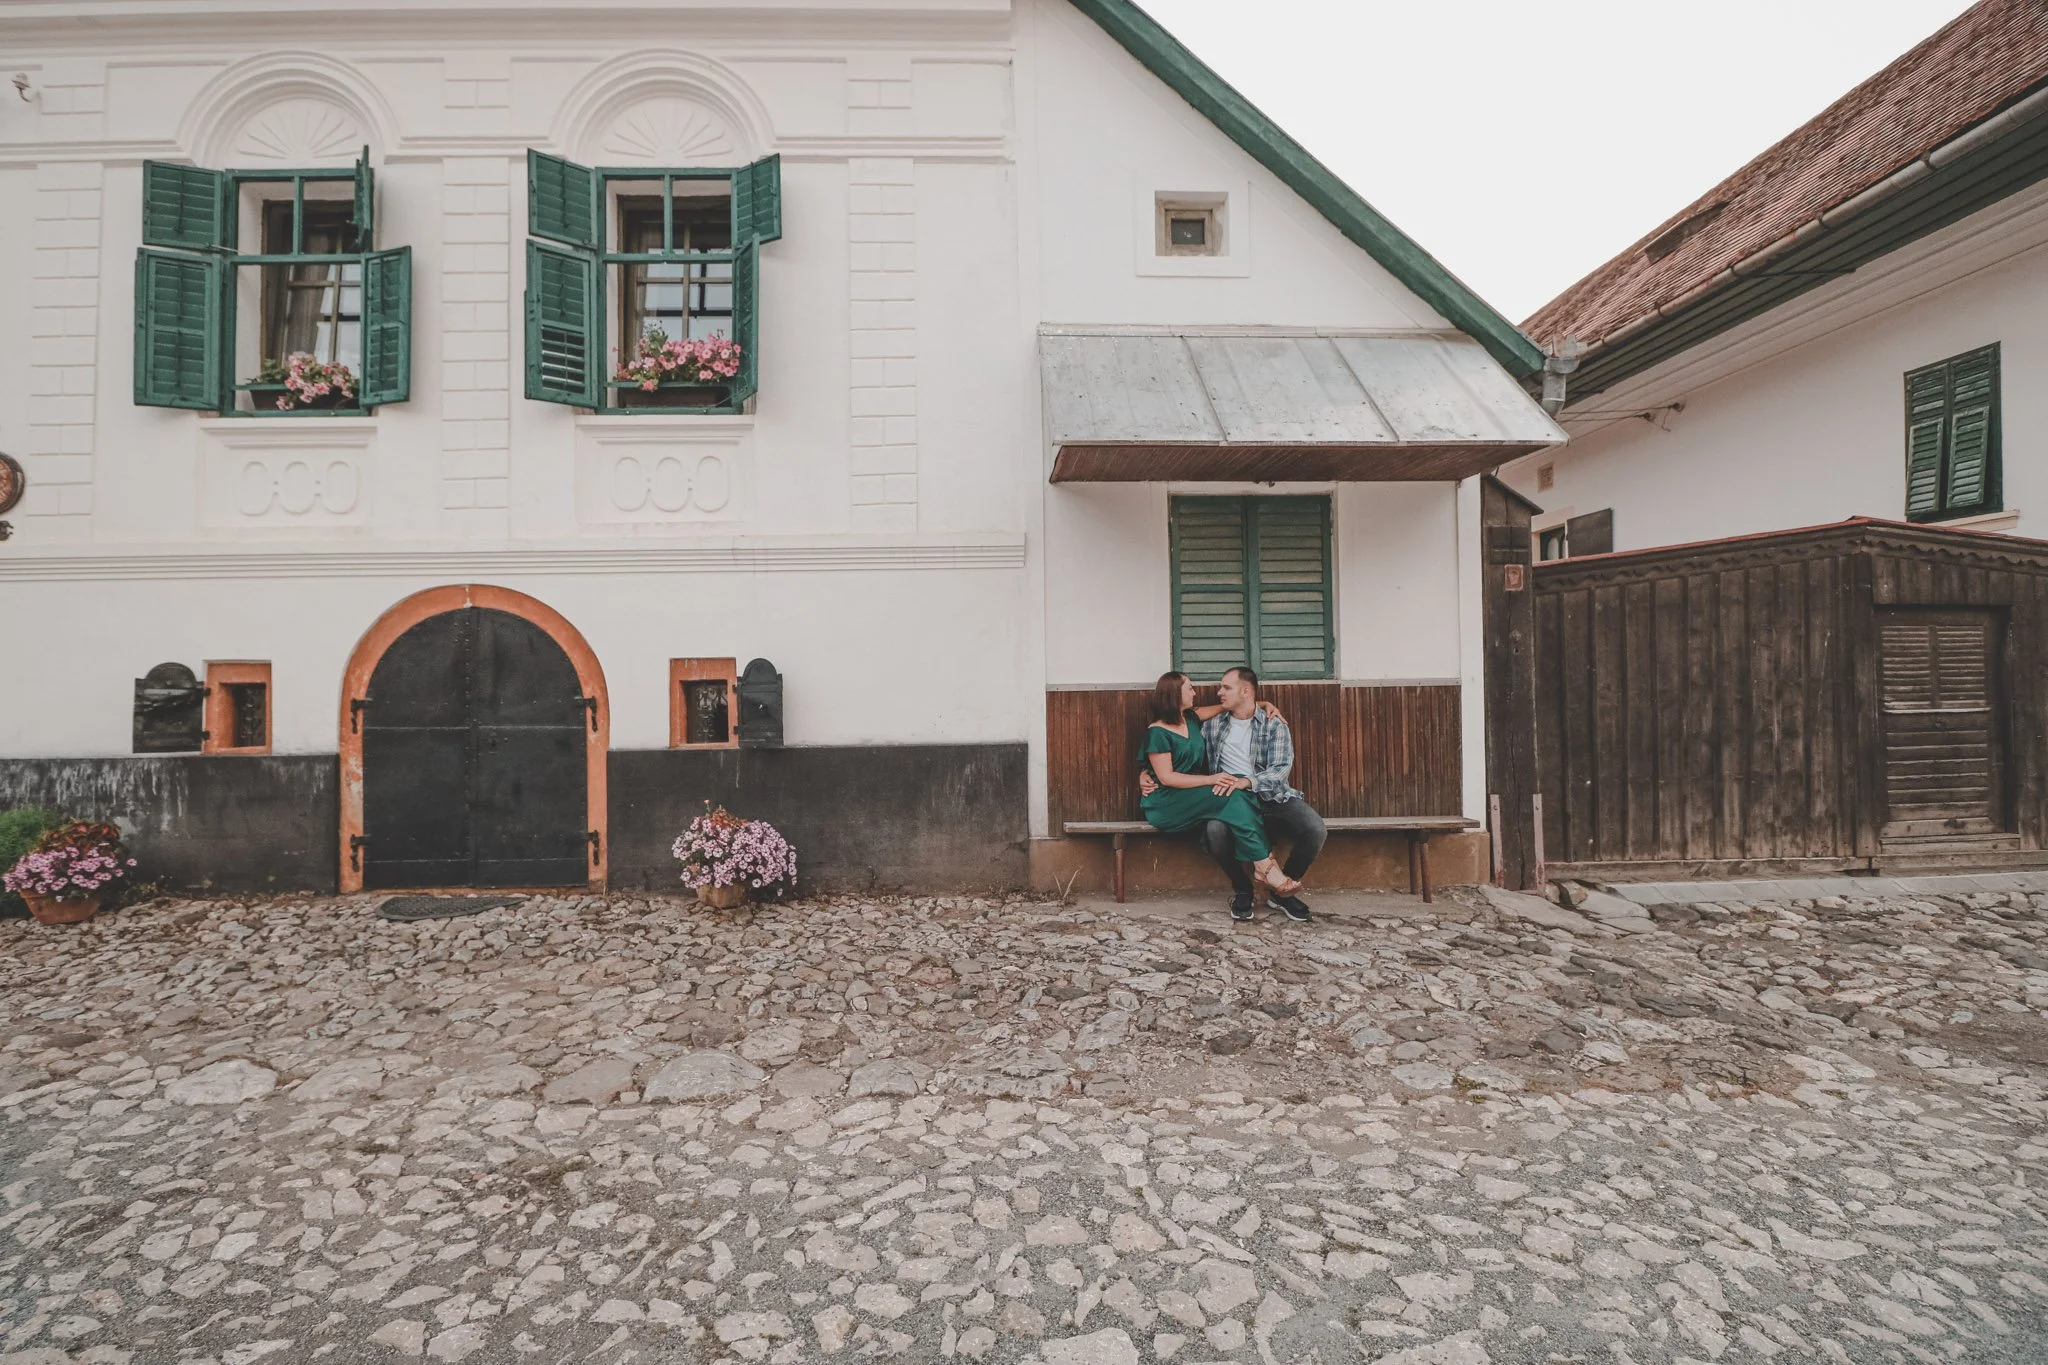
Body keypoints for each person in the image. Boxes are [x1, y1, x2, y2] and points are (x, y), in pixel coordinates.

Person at [1141, 665, 1325, 923]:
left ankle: (1280, 893)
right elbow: (1167, 761)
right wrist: (1145, 774)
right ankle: (1244, 888)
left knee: (1315, 828)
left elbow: (1280, 769)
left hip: (1268, 794)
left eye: (1226, 687)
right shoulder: (1211, 725)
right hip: (1222, 796)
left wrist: (1247, 781)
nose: (1217, 692)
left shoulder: (1271, 723)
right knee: (1216, 831)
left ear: (1246, 691)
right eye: (1191, 687)